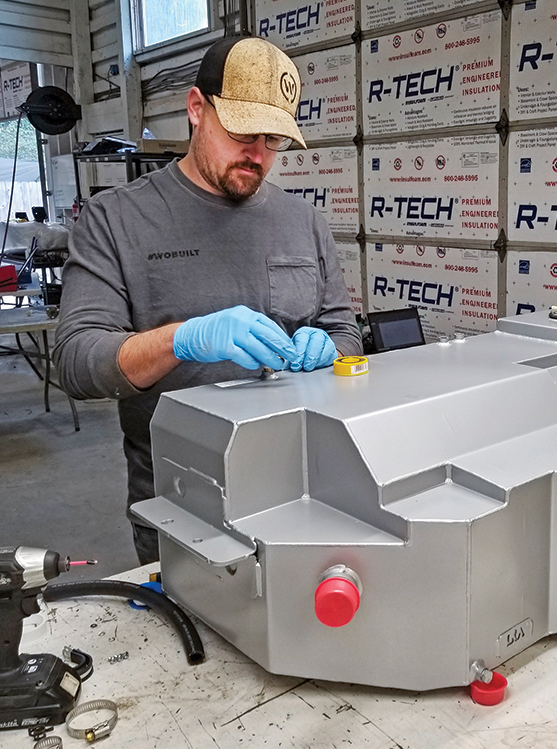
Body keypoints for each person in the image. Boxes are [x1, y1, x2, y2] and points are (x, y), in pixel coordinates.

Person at [54, 36, 362, 564]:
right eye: (243, 132)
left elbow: (344, 331)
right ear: (196, 108)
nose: (258, 155)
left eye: (273, 139)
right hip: (180, 501)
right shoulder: (117, 220)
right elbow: (78, 363)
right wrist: (183, 339)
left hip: (303, 490)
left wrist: (330, 349)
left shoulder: (303, 222)